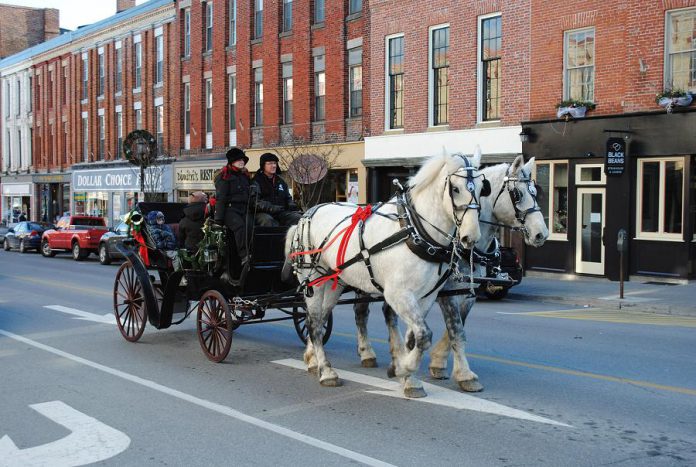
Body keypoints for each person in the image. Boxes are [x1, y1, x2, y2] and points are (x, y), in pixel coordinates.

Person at [214, 147, 253, 271]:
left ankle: (252, 252)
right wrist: (218, 219)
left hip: (244, 208)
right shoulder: (224, 176)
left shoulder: (245, 175)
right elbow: (221, 198)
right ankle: (244, 256)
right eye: (239, 160)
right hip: (230, 210)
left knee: (251, 225)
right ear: (232, 162)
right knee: (240, 226)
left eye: (243, 160)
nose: (242, 162)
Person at [251, 152, 302, 227]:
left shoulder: (280, 181)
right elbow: (255, 202)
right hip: (263, 213)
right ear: (263, 166)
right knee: (268, 221)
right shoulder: (256, 181)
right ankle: (274, 239)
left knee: (299, 218)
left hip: (281, 211)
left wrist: (291, 205)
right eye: (270, 163)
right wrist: (272, 208)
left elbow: (288, 197)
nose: (273, 166)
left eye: (275, 163)